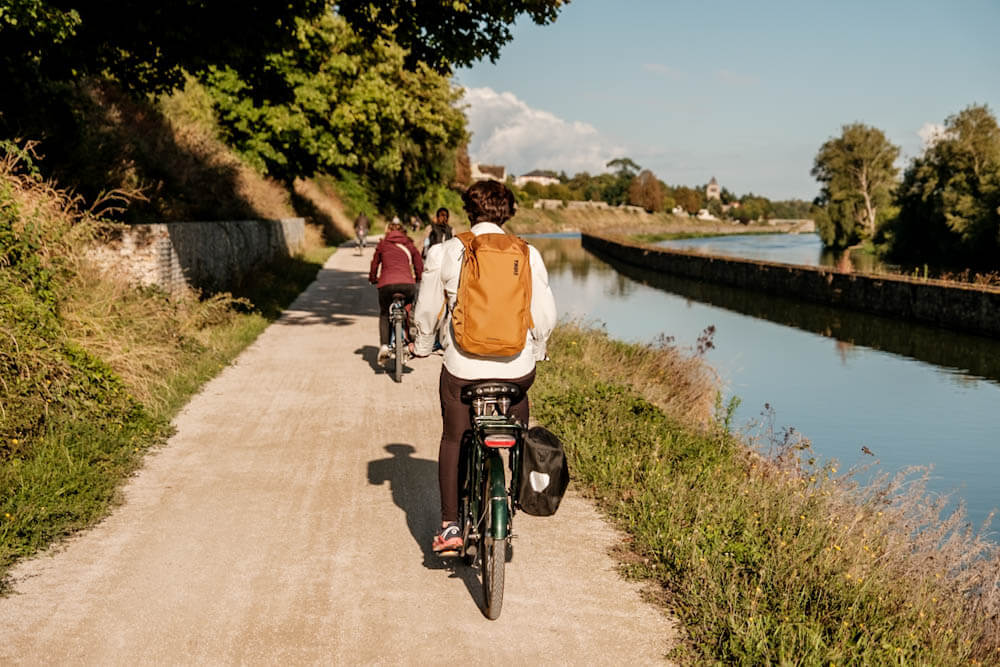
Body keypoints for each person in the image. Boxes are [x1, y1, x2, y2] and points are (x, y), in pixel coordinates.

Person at [412, 180, 556, 553]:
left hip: (463, 369)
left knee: (452, 438)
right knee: (519, 409)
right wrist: (536, 349)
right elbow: (544, 314)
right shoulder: (528, 253)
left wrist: (425, 345)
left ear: (469, 210)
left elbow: (427, 310)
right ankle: (512, 495)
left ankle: (450, 527)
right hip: (516, 368)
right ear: (507, 213)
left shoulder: (445, 252)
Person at [369, 218, 423, 365]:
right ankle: (407, 343)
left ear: (388, 231)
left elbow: (374, 264)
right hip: (407, 284)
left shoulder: (383, 243)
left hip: (386, 285)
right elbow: (418, 262)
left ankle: (385, 346)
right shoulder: (408, 243)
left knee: (385, 313)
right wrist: (418, 278)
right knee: (408, 310)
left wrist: (373, 278)